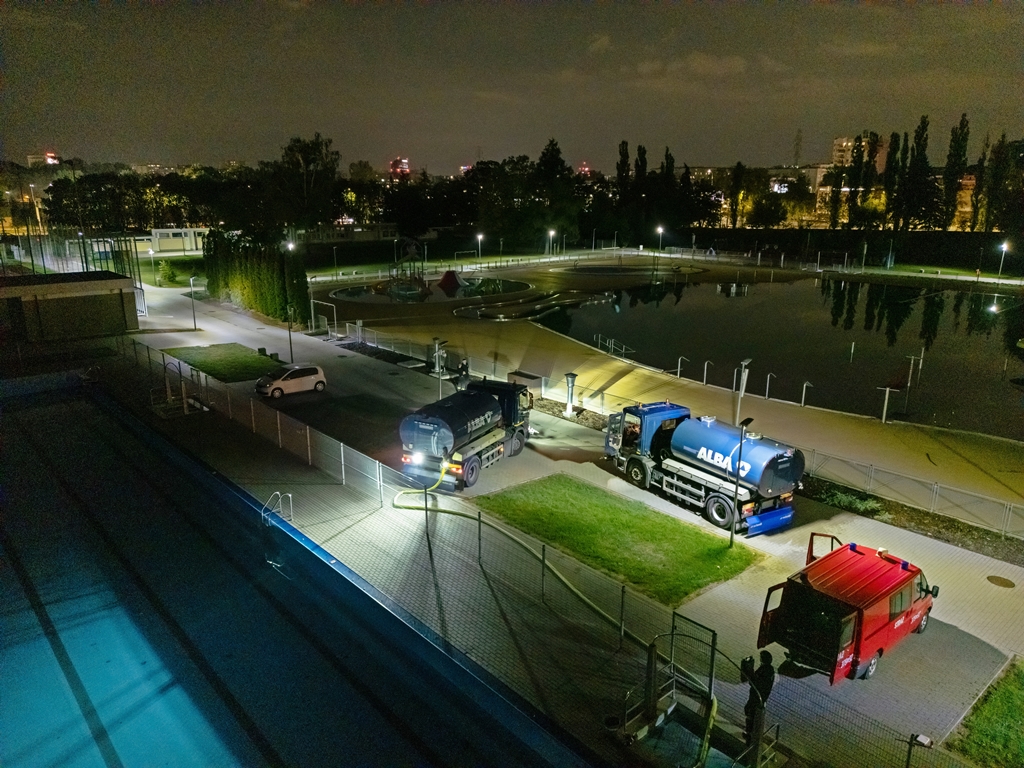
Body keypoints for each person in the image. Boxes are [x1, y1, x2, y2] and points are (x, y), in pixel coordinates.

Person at [742, 650, 776, 744]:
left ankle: (749, 735)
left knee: (750, 714)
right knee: (751, 713)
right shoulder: (769, 670)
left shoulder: (764, 670)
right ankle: (750, 733)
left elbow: (754, 681)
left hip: (756, 697)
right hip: (760, 696)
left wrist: (749, 669)